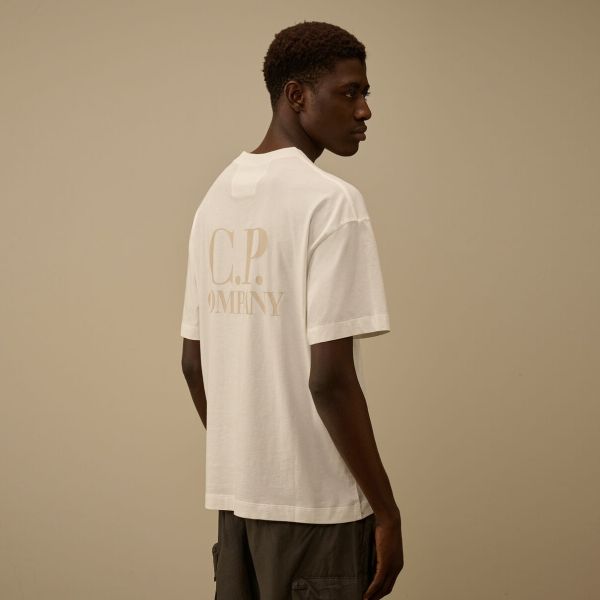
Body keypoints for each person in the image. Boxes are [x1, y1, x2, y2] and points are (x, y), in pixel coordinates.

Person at [180, 20, 403, 600]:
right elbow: (329, 378)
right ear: (297, 95)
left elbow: (193, 363)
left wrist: (249, 457)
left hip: (238, 510)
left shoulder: (214, 200)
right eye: (349, 92)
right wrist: (386, 512)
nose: (365, 111)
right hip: (319, 514)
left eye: (366, 93)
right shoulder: (331, 203)